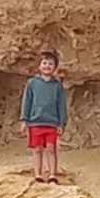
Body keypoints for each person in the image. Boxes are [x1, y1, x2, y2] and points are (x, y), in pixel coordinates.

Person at [20, 51, 68, 184]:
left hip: (52, 123)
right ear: (39, 66)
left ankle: (52, 174)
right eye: (44, 63)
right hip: (35, 122)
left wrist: (61, 123)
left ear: (55, 67)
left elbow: (61, 105)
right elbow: (27, 102)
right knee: (37, 149)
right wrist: (24, 120)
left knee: (51, 148)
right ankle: (38, 174)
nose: (47, 66)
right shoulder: (32, 83)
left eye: (51, 64)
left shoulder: (57, 85)